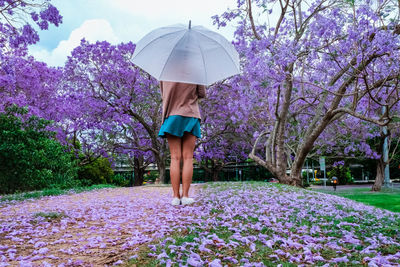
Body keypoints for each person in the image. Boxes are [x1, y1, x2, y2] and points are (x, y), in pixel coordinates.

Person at [158, 81, 206, 206]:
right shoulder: (196, 70)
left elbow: (164, 94)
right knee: (188, 157)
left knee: (175, 157)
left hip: (172, 115)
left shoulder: (165, 73)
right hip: (190, 114)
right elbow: (202, 93)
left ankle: (175, 197)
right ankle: (185, 196)